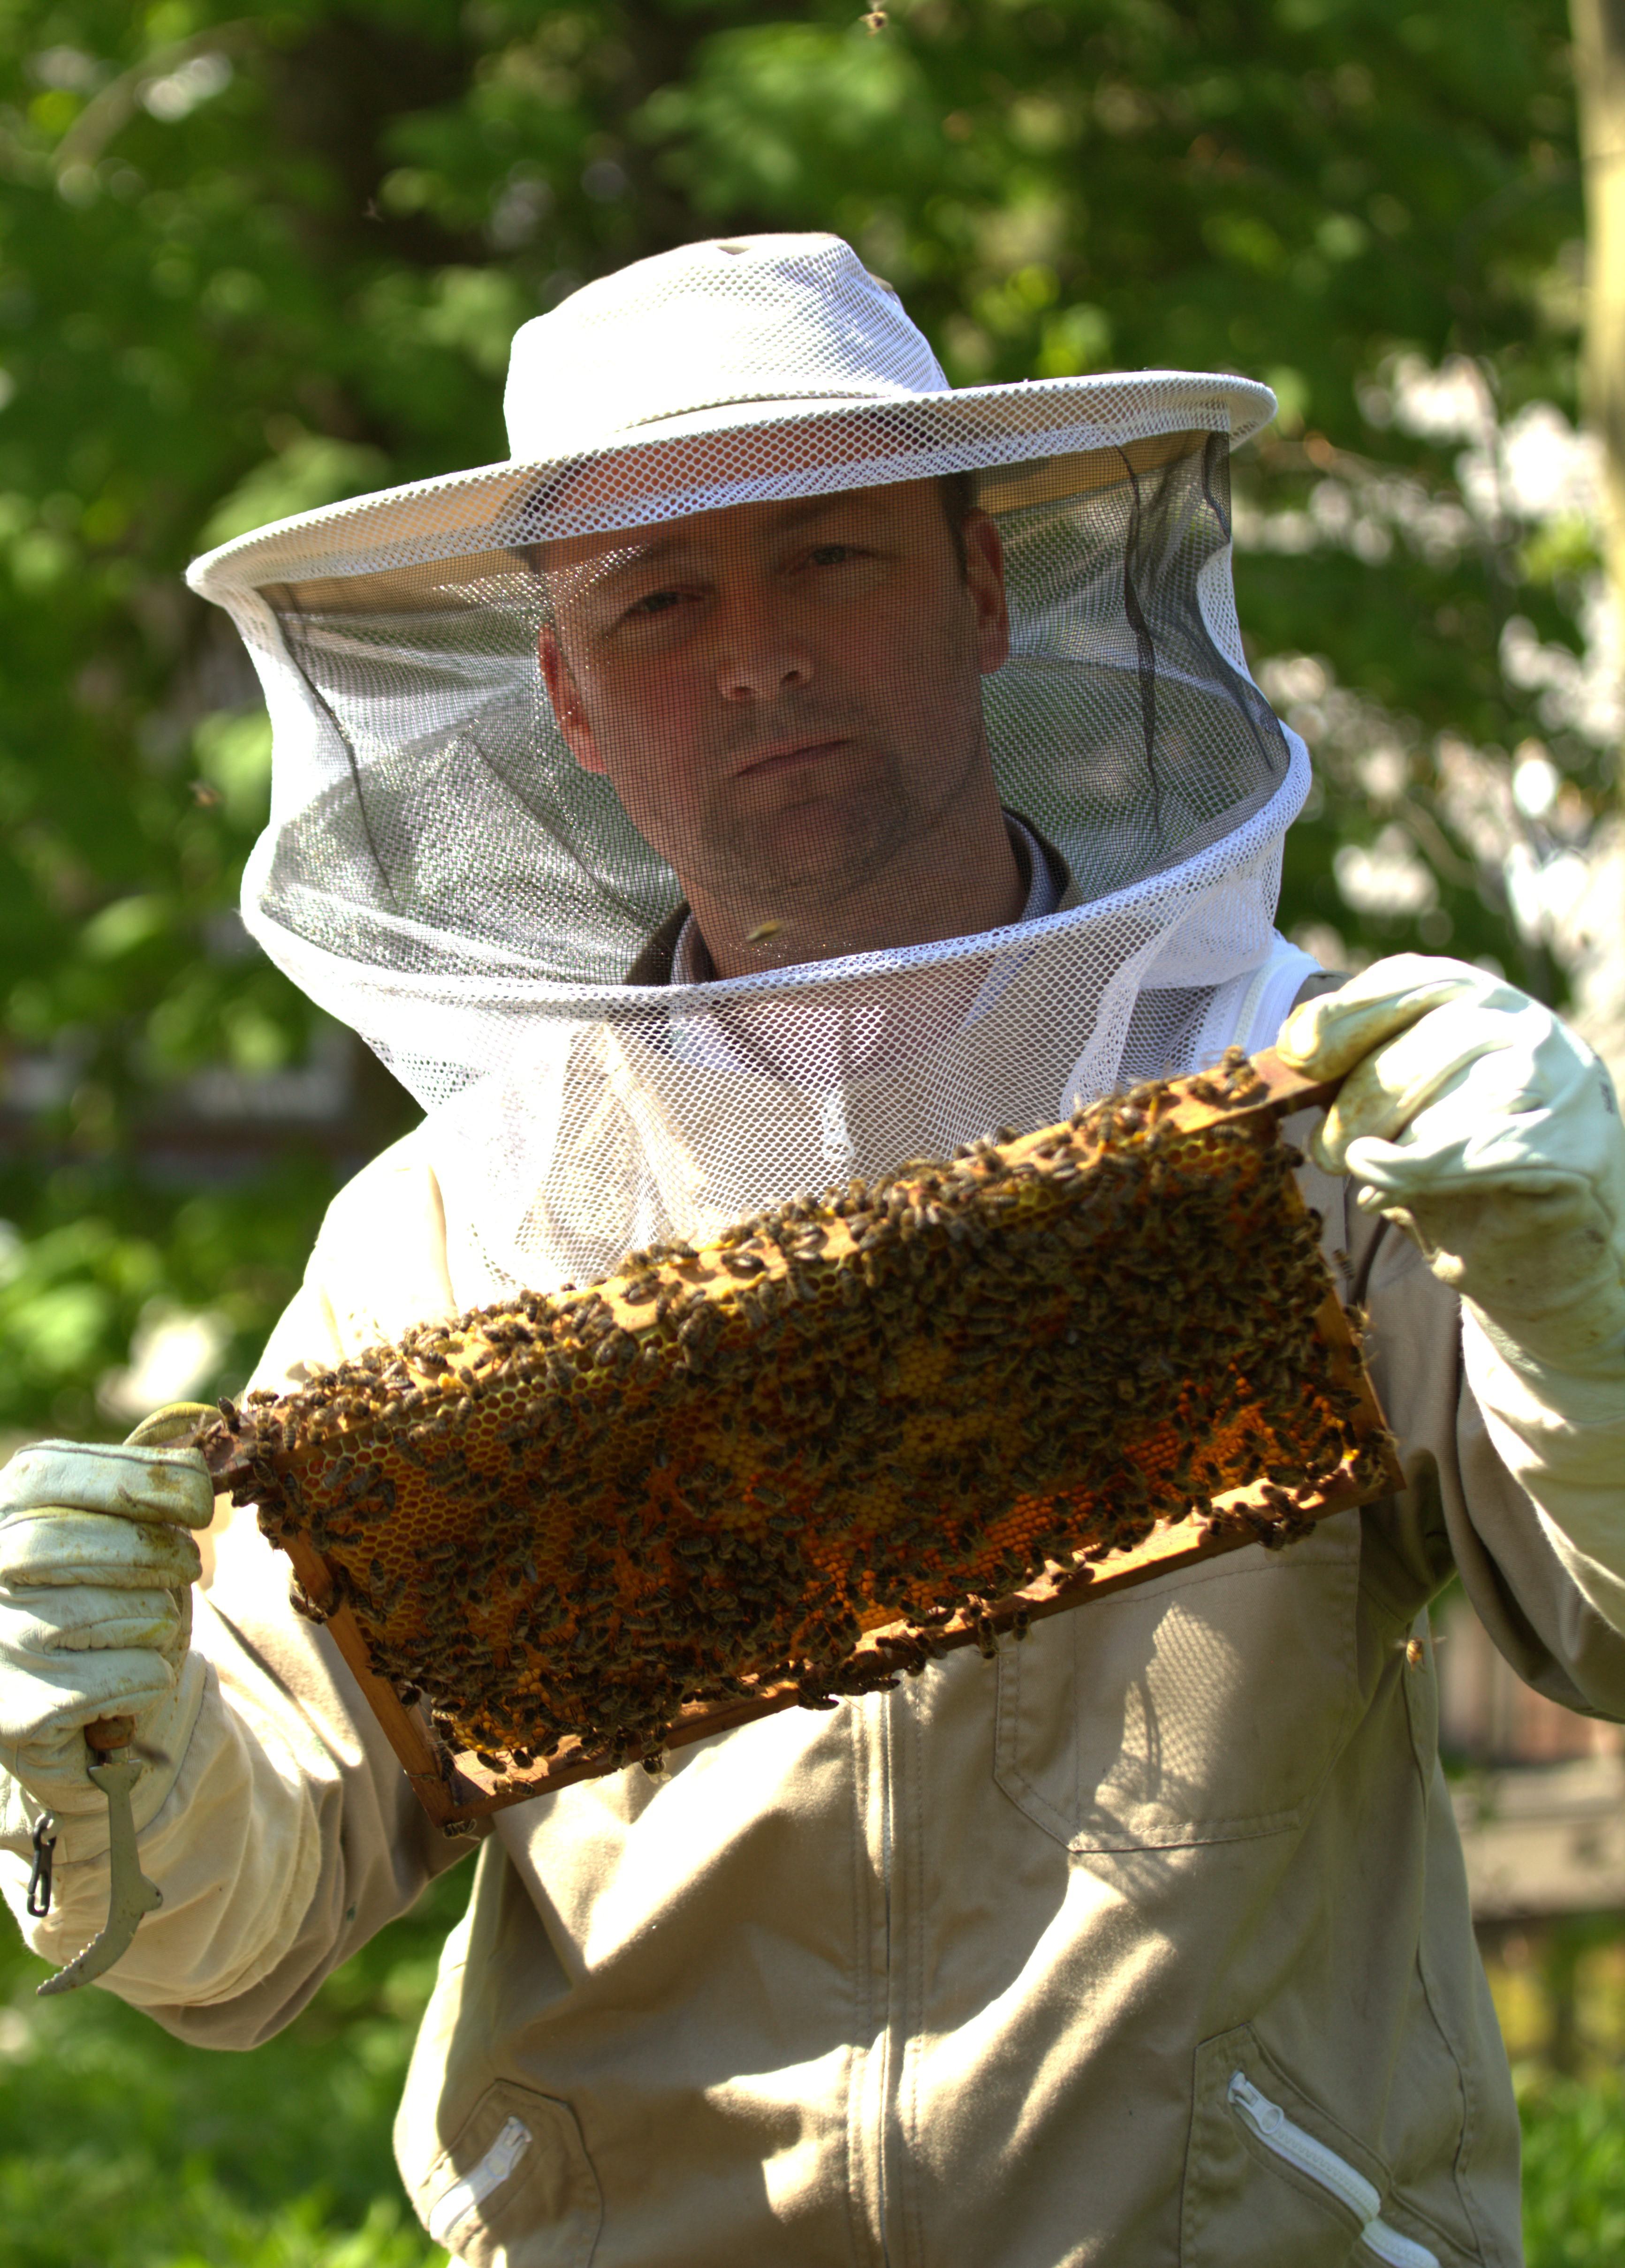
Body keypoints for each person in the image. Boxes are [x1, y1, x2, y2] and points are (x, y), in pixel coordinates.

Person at [1, 233, 1621, 2268]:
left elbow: (1604, 1628)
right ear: (569, 698)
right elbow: (243, 1919)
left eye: (829, 558)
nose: (755, 652)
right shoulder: (448, 1237)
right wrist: (100, 1751)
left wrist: (1580, 1312)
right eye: (663, 602)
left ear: (977, 591)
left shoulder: (1302, 1121)